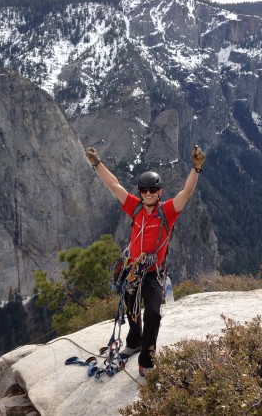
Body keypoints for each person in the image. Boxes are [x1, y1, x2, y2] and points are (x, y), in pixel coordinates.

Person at [85, 145, 206, 376]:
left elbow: (186, 193)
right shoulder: (135, 208)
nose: (148, 193)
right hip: (132, 270)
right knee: (132, 310)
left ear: (159, 192)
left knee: (153, 312)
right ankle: (134, 342)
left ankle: (147, 359)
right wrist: (97, 163)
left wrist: (196, 168)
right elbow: (114, 185)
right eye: (144, 190)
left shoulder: (167, 212)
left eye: (153, 190)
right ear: (140, 192)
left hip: (153, 273)